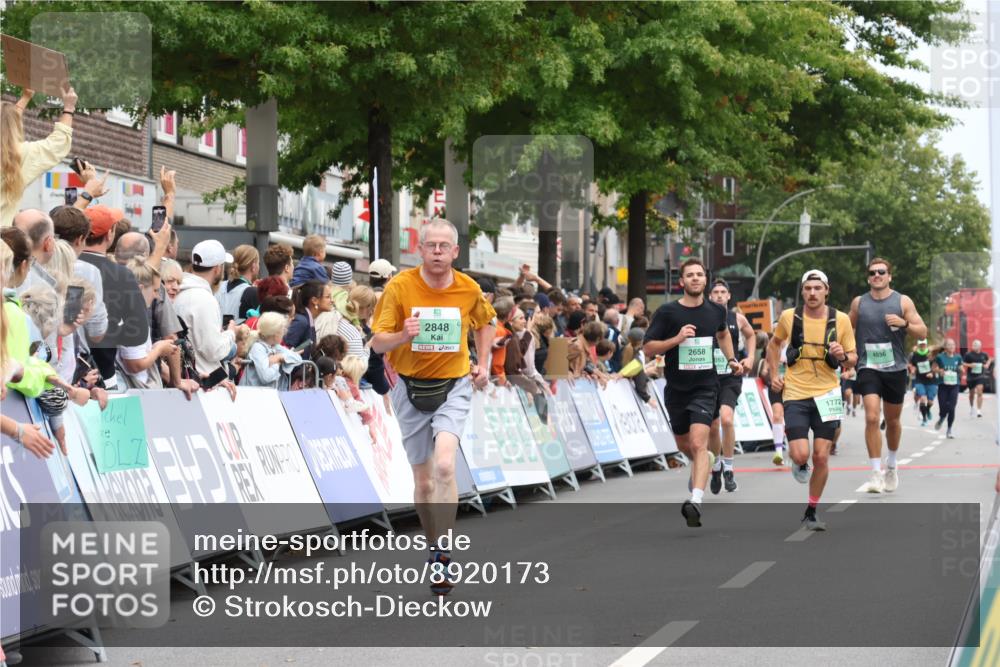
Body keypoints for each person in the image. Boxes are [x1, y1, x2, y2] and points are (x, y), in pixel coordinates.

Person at [371, 218, 496, 595]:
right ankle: (432, 545)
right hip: (409, 388)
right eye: (432, 246)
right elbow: (377, 344)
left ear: (455, 252)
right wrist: (402, 335)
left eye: (445, 246)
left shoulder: (468, 288)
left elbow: (486, 323)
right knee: (423, 483)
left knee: (445, 464)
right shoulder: (400, 287)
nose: (438, 252)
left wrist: (485, 364)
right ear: (420, 250)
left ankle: (443, 551)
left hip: (454, 384)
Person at [642, 258, 741, 528]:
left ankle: (695, 500)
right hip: (676, 389)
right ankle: (707, 462)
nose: (695, 278)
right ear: (682, 282)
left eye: (699, 274)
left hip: (705, 387)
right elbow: (649, 349)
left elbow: (722, 335)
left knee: (699, 443)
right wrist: (676, 339)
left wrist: (731, 359)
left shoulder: (716, 311)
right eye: (690, 275)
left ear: (705, 280)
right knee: (684, 445)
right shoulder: (667, 313)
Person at [768, 270, 856, 530]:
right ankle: (798, 461)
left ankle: (812, 510)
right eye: (808, 288)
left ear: (826, 290)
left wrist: (842, 355)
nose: (812, 293)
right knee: (800, 453)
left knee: (821, 456)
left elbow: (853, 358)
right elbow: (774, 345)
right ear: (803, 291)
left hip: (828, 393)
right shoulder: (789, 317)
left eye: (818, 288)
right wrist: (774, 374)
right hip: (796, 392)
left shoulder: (840, 320)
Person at [849, 257, 928, 494]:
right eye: (872, 273)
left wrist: (904, 324)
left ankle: (891, 465)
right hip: (868, 366)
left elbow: (922, 331)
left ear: (889, 276)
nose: (877, 276)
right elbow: (846, 329)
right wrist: (848, 353)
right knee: (872, 417)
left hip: (895, 368)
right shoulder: (859, 303)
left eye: (881, 272)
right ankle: (875, 472)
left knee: (892, 421)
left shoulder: (902, 301)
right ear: (868, 277)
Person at [78, 206, 155, 386]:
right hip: (103, 375)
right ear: (110, 235)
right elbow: (138, 333)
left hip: (64, 374)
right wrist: (108, 333)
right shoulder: (121, 274)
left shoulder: (64, 266)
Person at [1, 86, 77, 227]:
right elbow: (58, 144)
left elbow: (5, 122)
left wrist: (25, 98)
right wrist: (68, 108)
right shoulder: (21, 155)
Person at [707, 279, 756, 494]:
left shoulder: (737, 318)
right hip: (707, 377)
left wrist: (750, 357)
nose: (719, 295)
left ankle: (728, 468)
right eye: (715, 292)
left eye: (722, 292)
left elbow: (751, 334)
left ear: (728, 296)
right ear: (710, 296)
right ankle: (716, 466)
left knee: (727, 418)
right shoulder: (703, 316)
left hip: (730, 375)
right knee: (711, 426)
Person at [173, 240, 238, 390]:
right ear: (217, 269)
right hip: (204, 384)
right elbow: (213, 349)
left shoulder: (177, 292)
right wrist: (231, 334)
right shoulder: (204, 299)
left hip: (190, 378)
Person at [240, 312, 303, 389]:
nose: (284, 333)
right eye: (283, 330)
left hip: (267, 395)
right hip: (254, 396)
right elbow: (266, 377)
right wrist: (278, 362)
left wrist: (278, 357)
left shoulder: (275, 346)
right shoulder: (257, 348)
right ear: (275, 334)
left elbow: (298, 359)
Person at [285, 280, 332, 358]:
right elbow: (285, 350)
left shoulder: (308, 320)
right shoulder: (301, 322)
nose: (332, 300)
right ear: (314, 300)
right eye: (328, 297)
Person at [216, 245, 259, 323]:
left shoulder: (218, 286)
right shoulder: (252, 292)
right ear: (253, 266)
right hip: (237, 334)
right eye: (258, 263)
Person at [934, 338, 963, 439]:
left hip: (954, 385)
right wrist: (939, 371)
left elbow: (961, 368)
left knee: (951, 408)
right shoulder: (940, 357)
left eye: (953, 345)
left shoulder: (958, 357)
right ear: (945, 347)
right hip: (943, 385)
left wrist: (961, 369)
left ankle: (949, 429)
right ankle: (942, 417)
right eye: (949, 345)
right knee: (943, 406)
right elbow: (934, 368)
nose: (952, 347)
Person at [909, 338, 937, 427]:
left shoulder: (931, 354)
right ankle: (924, 419)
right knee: (922, 398)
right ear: (918, 345)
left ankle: (928, 410)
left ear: (926, 344)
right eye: (921, 344)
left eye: (924, 344)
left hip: (931, 381)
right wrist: (912, 369)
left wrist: (932, 373)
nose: (922, 346)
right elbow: (911, 364)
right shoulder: (915, 354)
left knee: (930, 402)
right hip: (919, 380)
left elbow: (937, 366)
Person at [964, 339, 991, 418]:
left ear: (980, 346)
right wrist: (970, 365)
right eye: (973, 345)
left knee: (980, 391)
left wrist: (987, 365)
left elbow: (989, 359)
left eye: (976, 345)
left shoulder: (984, 354)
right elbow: (963, 363)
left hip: (980, 376)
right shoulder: (968, 354)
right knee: (971, 394)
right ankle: (972, 407)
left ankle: (979, 411)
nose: (974, 346)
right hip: (971, 376)